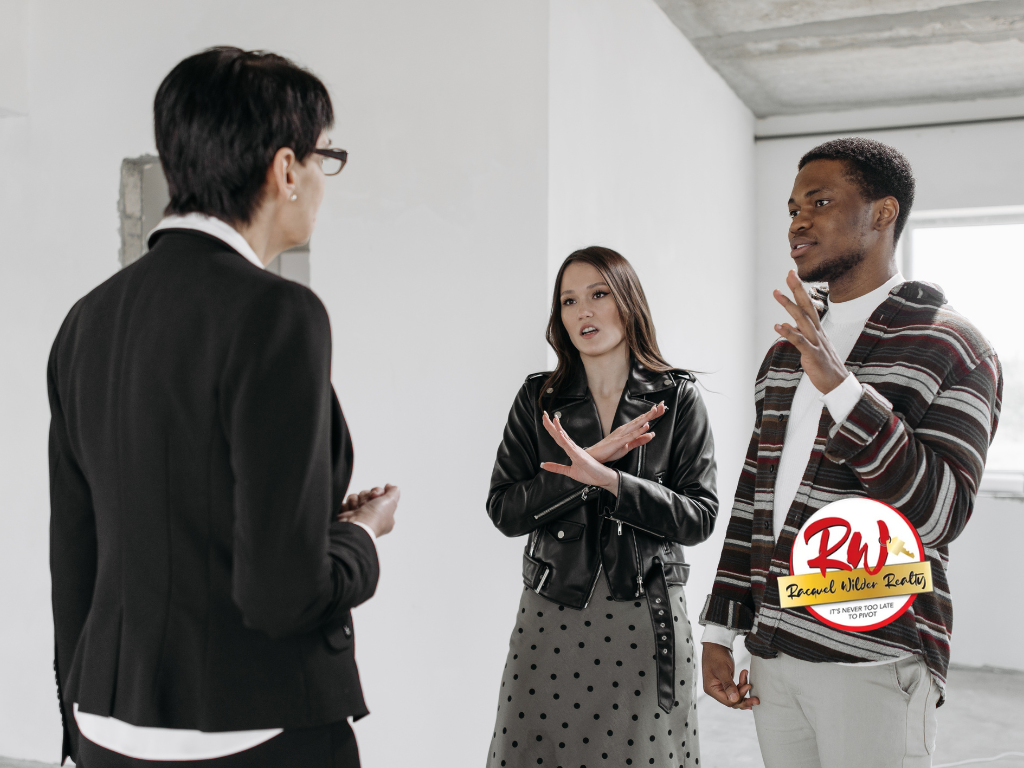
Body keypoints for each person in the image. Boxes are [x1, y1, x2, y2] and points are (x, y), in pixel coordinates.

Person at [47, 47, 398, 768]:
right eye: (322, 158)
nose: (322, 182)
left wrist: (76, 725)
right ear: (285, 170)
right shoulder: (279, 315)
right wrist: (360, 535)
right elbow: (281, 595)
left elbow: (75, 554)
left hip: (107, 726)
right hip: (252, 725)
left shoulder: (87, 320)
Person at [699, 138, 1002, 767]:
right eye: (791, 208)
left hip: (875, 653)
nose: (798, 221)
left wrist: (843, 389)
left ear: (884, 213)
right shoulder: (786, 351)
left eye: (820, 201)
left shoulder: (954, 347)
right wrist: (721, 628)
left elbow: (940, 513)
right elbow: (756, 494)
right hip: (774, 651)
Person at [486, 246, 718, 768]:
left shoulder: (678, 396)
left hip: (645, 614)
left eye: (598, 294)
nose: (583, 311)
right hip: (549, 612)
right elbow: (505, 510)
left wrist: (610, 481)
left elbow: (699, 515)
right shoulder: (537, 398)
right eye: (569, 301)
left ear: (628, 301)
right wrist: (588, 463)